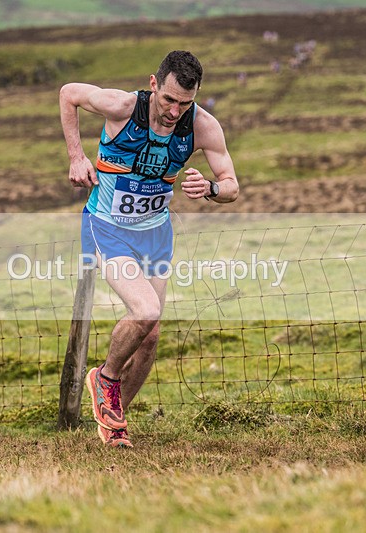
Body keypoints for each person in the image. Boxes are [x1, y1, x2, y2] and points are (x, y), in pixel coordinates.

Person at [59, 50, 239, 447]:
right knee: (145, 310)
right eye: (169, 99)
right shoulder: (123, 107)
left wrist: (210, 189)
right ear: (154, 84)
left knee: (152, 334)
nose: (175, 110)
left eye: (185, 103)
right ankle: (105, 379)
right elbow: (69, 93)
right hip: (107, 228)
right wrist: (76, 156)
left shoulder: (203, 126)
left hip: (156, 233)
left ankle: (112, 416)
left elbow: (231, 183)